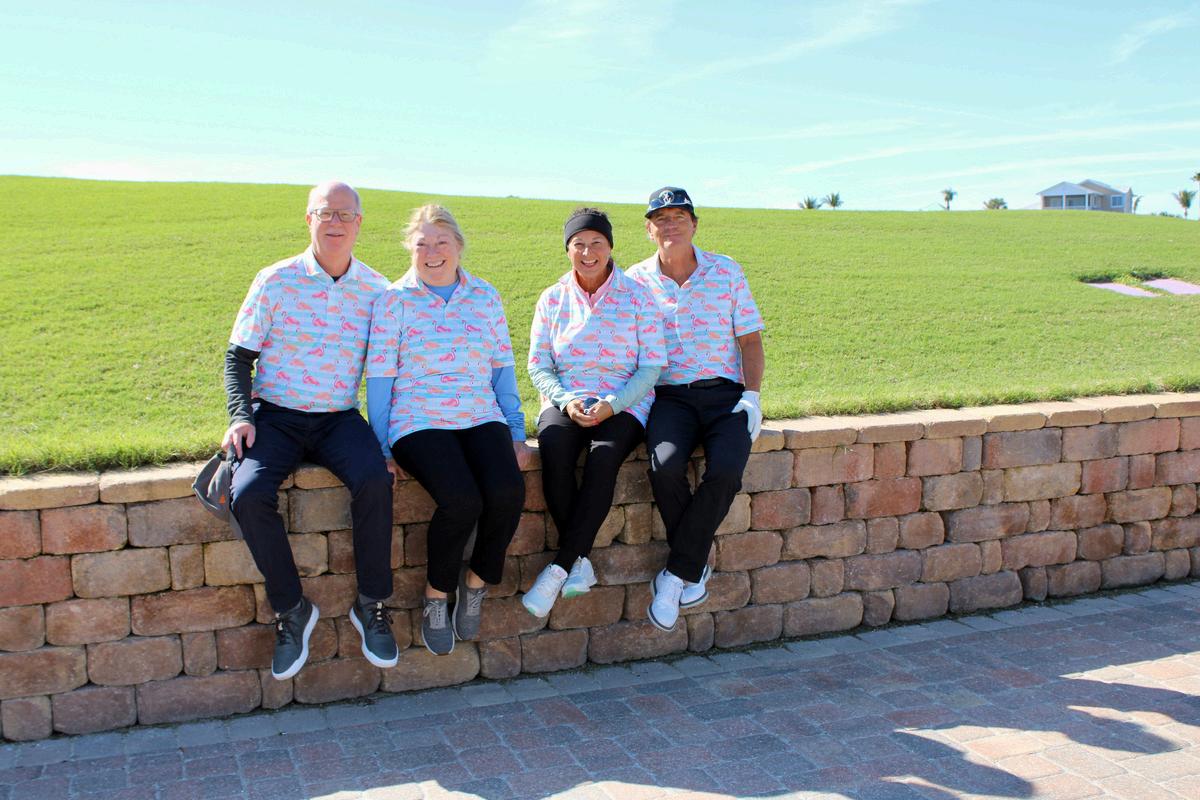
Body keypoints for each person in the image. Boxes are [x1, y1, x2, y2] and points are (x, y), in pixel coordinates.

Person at [224, 181, 398, 679]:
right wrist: (240, 416)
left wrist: (388, 443)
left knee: (375, 479)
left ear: (359, 223)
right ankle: (292, 609)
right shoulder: (275, 280)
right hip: (276, 415)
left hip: (338, 417)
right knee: (248, 493)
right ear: (309, 220)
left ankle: (372, 604)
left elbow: (390, 372)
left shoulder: (378, 291)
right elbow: (238, 357)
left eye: (345, 214)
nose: (335, 222)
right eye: (325, 213)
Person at [366, 204, 531, 655]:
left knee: (507, 492)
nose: (432, 251)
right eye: (422, 243)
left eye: (441, 242)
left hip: (480, 413)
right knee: (462, 501)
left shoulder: (485, 296)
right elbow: (380, 381)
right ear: (410, 249)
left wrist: (516, 431)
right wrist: (381, 447)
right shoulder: (393, 301)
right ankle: (436, 596)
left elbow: (502, 368)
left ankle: (475, 583)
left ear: (458, 245)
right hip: (418, 419)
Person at [626, 187, 766, 632]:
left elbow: (750, 339)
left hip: (727, 396)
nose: (670, 225)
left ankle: (675, 575)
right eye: (661, 219)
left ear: (694, 225)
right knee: (665, 467)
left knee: (724, 471)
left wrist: (753, 395)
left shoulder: (726, 271)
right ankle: (693, 566)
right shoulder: (635, 280)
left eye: (679, 217)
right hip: (670, 398)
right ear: (649, 230)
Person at [522, 208, 665, 617]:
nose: (588, 252)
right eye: (578, 244)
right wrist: (565, 400)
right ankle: (579, 563)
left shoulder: (638, 296)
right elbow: (538, 365)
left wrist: (613, 404)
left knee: (603, 459)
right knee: (554, 453)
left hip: (624, 401)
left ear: (610, 247)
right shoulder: (552, 298)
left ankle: (558, 569)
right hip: (565, 399)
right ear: (567, 249)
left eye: (596, 243)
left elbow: (651, 366)